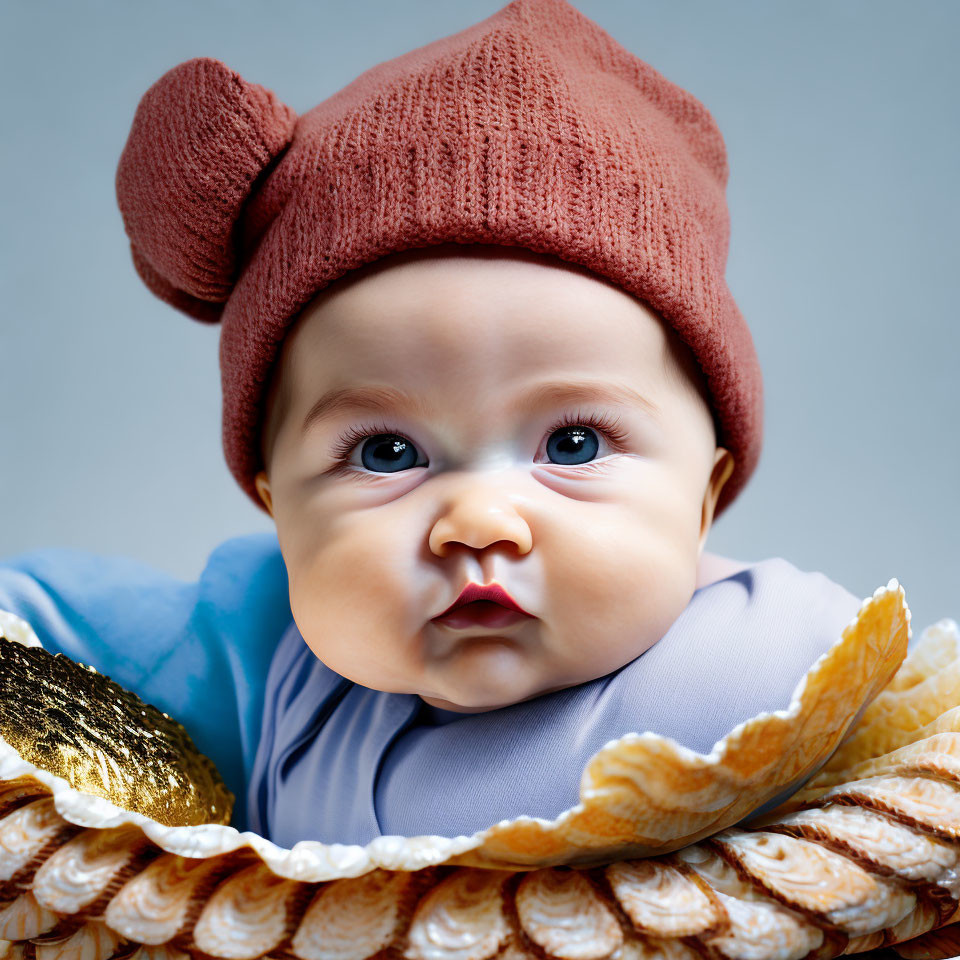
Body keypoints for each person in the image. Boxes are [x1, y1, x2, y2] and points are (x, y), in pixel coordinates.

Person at [0, 0, 863, 847]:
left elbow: (825, 653)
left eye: (572, 445)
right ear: (278, 509)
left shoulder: (762, 653)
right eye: (386, 453)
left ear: (701, 499)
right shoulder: (264, 653)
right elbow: (35, 609)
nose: (479, 522)